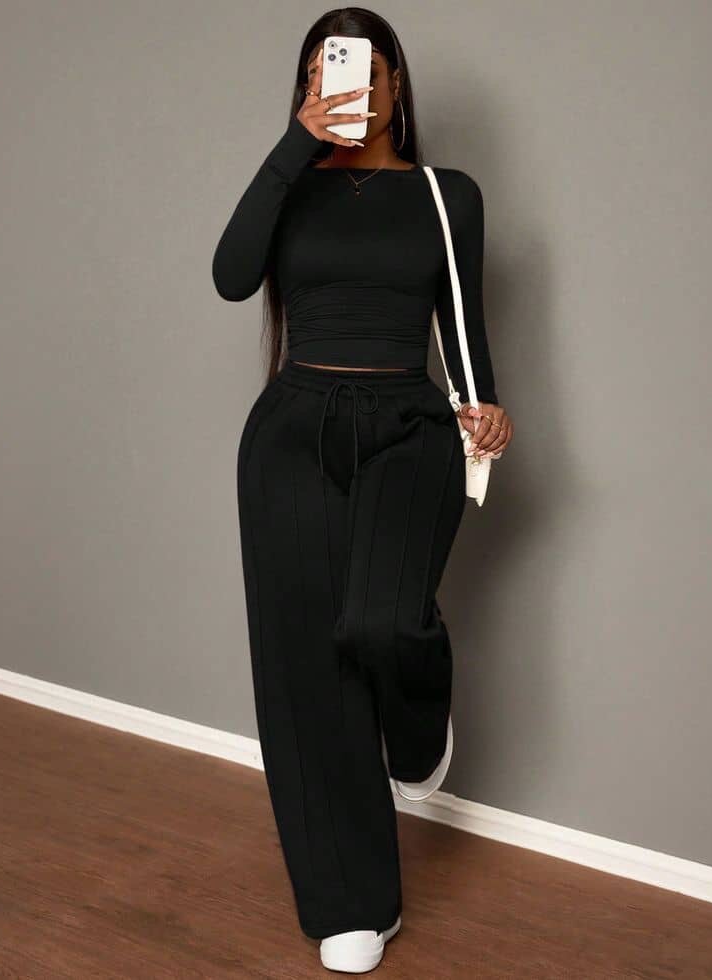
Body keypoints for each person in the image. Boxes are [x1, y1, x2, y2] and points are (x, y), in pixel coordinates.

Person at [212, 8, 514, 973]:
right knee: (306, 671)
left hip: (408, 428)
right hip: (291, 432)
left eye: (362, 71)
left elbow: (461, 318)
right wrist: (293, 146)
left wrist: (484, 405)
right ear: (306, 85)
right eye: (324, 71)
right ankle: (351, 904)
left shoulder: (444, 194)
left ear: (395, 86)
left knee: (383, 622)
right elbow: (230, 277)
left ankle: (418, 732)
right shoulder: (289, 187)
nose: (346, 86)